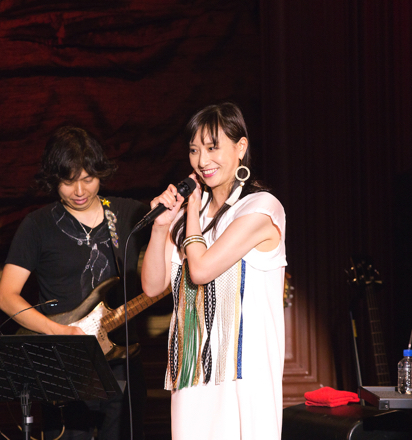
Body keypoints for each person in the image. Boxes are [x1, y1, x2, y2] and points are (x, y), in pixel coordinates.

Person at [141, 102, 287, 439]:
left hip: (243, 369)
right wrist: (161, 226)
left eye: (212, 148)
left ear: (240, 147)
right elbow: (152, 286)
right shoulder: (188, 214)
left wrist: (191, 209)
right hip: (194, 366)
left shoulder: (261, 208)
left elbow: (201, 270)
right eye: (194, 150)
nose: (202, 160)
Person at [0, 125, 148, 440]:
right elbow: (7, 297)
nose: (79, 191)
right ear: (54, 179)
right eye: (68, 182)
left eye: (88, 179)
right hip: (65, 363)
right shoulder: (37, 225)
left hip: (121, 363)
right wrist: (61, 332)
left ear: (101, 173)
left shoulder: (128, 214)